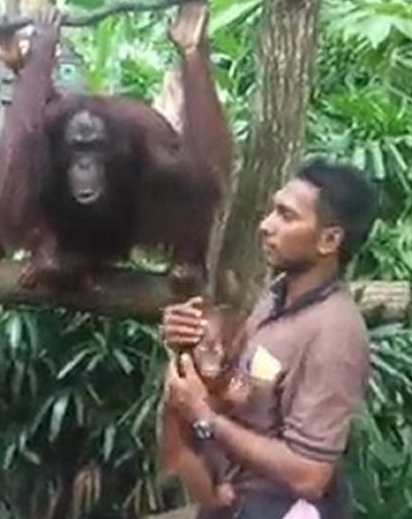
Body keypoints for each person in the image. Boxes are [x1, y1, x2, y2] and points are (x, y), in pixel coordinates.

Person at [158, 159, 378, 519]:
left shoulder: (335, 335)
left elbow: (310, 475)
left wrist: (201, 415)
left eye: (286, 217)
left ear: (329, 240)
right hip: (235, 500)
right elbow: (243, 388)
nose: (265, 226)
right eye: (272, 211)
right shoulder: (279, 294)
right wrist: (199, 347)